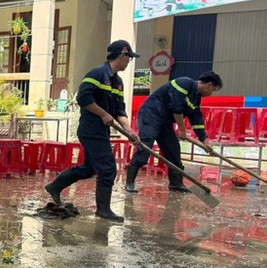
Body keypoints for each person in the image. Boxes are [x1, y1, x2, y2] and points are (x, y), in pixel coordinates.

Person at [44, 40, 141, 223]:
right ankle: (103, 210)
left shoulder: (117, 82)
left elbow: (120, 110)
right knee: (108, 168)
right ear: (122, 55)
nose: (129, 61)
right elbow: (83, 98)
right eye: (129, 58)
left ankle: (55, 186)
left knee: (90, 168)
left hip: (101, 131)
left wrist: (129, 130)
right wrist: (103, 114)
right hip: (91, 130)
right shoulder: (97, 74)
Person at [125, 71, 223, 193]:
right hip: (151, 115)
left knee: (173, 150)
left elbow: (196, 119)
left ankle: (176, 184)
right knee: (145, 146)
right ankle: (129, 183)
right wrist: (182, 130)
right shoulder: (184, 83)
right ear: (209, 85)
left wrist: (205, 140)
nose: (211, 94)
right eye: (213, 90)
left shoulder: (196, 98)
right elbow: (177, 107)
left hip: (165, 121)